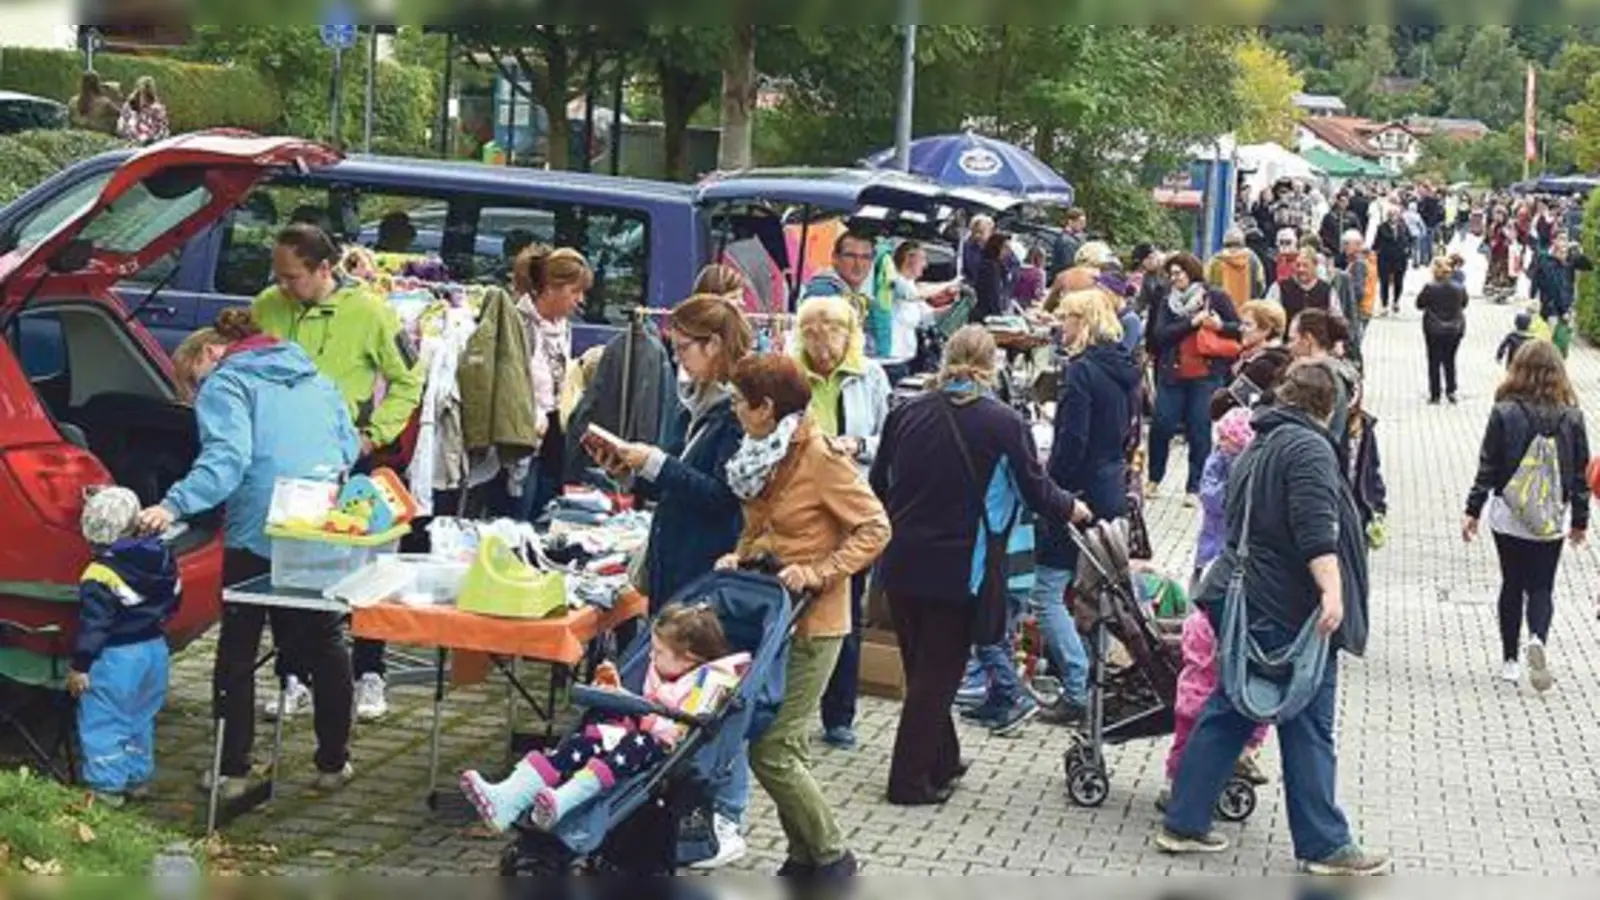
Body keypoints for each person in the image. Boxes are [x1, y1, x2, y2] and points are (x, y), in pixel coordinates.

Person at [1157, 361, 1386, 876]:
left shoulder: (1263, 438)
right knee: (1307, 722)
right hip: (1288, 607)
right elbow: (1314, 528)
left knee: (1233, 706)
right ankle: (1325, 843)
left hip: (1252, 597)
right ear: (1331, 405)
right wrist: (1333, 593)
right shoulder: (1307, 447)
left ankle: (1185, 819)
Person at [136, 309, 359, 800]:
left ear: (210, 354)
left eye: (192, 383)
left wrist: (171, 505)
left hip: (257, 527)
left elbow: (226, 461)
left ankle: (233, 769)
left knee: (240, 639)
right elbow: (349, 447)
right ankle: (333, 762)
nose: (196, 397)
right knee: (325, 639)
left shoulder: (228, 384)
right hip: (317, 522)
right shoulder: (316, 378)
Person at [871, 326, 1087, 805]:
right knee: (938, 676)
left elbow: (877, 482)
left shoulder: (905, 413)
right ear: (993, 366)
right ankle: (908, 782)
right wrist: (1074, 508)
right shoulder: (1003, 422)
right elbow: (1036, 489)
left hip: (902, 559)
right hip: (960, 568)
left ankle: (942, 760)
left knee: (922, 667)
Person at [712, 353, 890, 878]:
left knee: (771, 748)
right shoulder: (762, 452)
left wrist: (819, 571)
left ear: (766, 408)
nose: (734, 411)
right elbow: (765, 523)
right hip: (768, 619)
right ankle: (804, 857)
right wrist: (741, 554)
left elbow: (876, 528)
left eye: (740, 403)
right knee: (783, 744)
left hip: (815, 622)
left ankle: (835, 857)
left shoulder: (820, 456)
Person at [596, 294, 752, 868]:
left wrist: (656, 464)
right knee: (676, 689)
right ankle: (681, 811)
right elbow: (680, 486)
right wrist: (635, 468)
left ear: (713, 346)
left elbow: (721, 497)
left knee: (712, 694)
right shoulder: (695, 403)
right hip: (675, 563)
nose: (677, 357)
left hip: (705, 571)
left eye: (684, 347)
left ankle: (725, 816)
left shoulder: (736, 412)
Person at [251, 224, 424, 721]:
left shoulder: (370, 311)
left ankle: (370, 672)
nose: (284, 286)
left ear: (325, 269)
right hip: (284, 459)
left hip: (347, 458)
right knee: (288, 568)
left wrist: (375, 434)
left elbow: (408, 378)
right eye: (278, 276)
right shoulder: (268, 305)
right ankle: (291, 675)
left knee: (363, 569)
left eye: (293, 277)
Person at [460, 603, 750, 832]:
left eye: (659, 652)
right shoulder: (664, 672)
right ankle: (509, 797)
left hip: (661, 751)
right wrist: (617, 691)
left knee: (633, 742)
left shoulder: (709, 683)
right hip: (634, 734)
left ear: (689, 658)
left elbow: (680, 731)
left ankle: (562, 801)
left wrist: (642, 714)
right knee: (586, 740)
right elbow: (645, 705)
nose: (651, 658)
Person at [791, 294, 891, 751]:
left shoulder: (869, 376)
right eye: (813, 337)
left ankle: (839, 715)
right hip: (801, 505)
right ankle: (788, 704)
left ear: (848, 337)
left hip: (850, 505)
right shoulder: (792, 374)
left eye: (831, 337)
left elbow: (888, 436)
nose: (823, 348)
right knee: (791, 606)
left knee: (844, 609)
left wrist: (857, 444)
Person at [1034, 290, 1138, 725]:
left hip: (1078, 491)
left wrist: (1051, 486)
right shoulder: (1125, 369)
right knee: (1093, 591)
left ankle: (1076, 685)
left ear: (1084, 321)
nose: (1061, 326)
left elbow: (1071, 440)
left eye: (1067, 319)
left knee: (1046, 591)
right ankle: (1091, 676)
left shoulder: (1080, 372)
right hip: (1110, 484)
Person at [1464, 340, 1590, 692]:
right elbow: (1581, 474)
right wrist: (1580, 520)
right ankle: (1537, 636)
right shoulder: (1573, 416)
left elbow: (1487, 465)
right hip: (1552, 514)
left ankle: (1509, 661)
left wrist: (1473, 509)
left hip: (1509, 512)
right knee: (1542, 585)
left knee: (1512, 582)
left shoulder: (1504, 411)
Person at [69, 486, 178, 807]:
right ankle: (137, 776)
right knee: (140, 715)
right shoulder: (162, 556)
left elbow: (94, 626)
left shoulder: (99, 574)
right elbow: (175, 601)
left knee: (103, 718)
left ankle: (106, 788)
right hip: (154, 648)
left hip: (116, 656)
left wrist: (81, 666)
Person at [1147, 252, 1241, 507]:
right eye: (1171, 274)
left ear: (1192, 272)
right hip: (1172, 374)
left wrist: (1219, 326)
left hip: (1206, 376)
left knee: (1199, 429)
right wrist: (1191, 322)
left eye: (1178, 273)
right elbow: (1160, 335)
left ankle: (1194, 486)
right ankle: (1154, 478)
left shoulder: (1216, 297)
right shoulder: (1167, 301)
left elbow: (1238, 329)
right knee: (1162, 425)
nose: (1174, 279)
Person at [884, 240, 959, 381]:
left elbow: (927, 317)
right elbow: (915, 294)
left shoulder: (911, 284)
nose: (926, 265)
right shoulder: (896, 281)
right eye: (922, 259)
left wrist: (954, 308)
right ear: (909, 259)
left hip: (907, 359)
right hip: (891, 361)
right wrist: (950, 284)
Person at [1286, 309, 1357, 447]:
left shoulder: (1313, 377)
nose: (1289, 346)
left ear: (1308, 339)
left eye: (1292, 339)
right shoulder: (1341, 370)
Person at [801, 232, 878, 353]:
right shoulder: (823, 292)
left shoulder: (859, 298)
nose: (858, 264)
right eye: (850, 256)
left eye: (865, 257)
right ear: (835, 258)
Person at [1415, 256, 1469, 405]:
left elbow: (1419, 304)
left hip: (1434, 329)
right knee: (1450, 359)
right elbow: (1464, 304)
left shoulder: (1430, 287)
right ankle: (1451, 390)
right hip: (1455, 328)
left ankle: (1435, 394)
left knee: (1434, 361)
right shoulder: (1459, 287)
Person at [1333, 230, 1374, 365]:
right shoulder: (1358, 261)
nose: (1344, 248)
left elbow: (1358, 291)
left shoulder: (1359, 264)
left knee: (1353, 346)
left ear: (1357, 245)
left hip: (1359, 312)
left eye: (1346, 244)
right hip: (1362, 310)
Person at [1205, 227, 1266, 309]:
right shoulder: (1253, 260)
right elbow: (1260, 284)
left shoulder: (1215, 260)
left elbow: (1207, 281)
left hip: (1222, 311)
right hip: (1247, 310)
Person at [1265, 252, 1334, 324]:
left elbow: (1336, 318)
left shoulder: (1327, 290)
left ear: (1315, 266)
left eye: (1305, 265)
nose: (1301, 269)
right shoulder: (1279, 287)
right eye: (1298, 265)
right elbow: (1269, 314)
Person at [1372, 207, 1411, 316]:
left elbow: (1410, 239)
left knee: (1399, 281)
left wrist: (1408, 250)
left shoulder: (1403, 227)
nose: (1394, 216)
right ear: (1388, 216)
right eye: (1391, 214)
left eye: (1396, 214)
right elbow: (1376, 243)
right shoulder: (1381, 227)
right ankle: (1384, 305)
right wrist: (1373, 251)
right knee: (1384, 282)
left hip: (1400, 258)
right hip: (1385, 258)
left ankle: (1396, 302)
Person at [116, 76, 169, 145]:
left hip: (139, 142)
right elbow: (162, 129)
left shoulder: (156, 109)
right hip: (137, 142)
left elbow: (162, 129)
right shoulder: (129, 106)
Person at [973, 231, 1013, 322]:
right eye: (1006, 248)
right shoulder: (990, 267)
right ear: (996, 247)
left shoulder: (998, 265)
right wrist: (999, 317)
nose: (1008, 252)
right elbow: (993, 294)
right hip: (986, 315)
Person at [69, 70, 120, 135]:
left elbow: (70, 123)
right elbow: (120, 115)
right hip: (99, 138)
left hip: (77, 136)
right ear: (97, 84)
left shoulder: (73, 101)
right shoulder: (105, 103)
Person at [1050, 208, 1087, 280]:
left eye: (1084, 222)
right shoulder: (1066, 241)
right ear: (1070, 222)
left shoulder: (1076, 238)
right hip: (1067, 280)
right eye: (1080, 222)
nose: (1083, 225)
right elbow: (1068, 266)